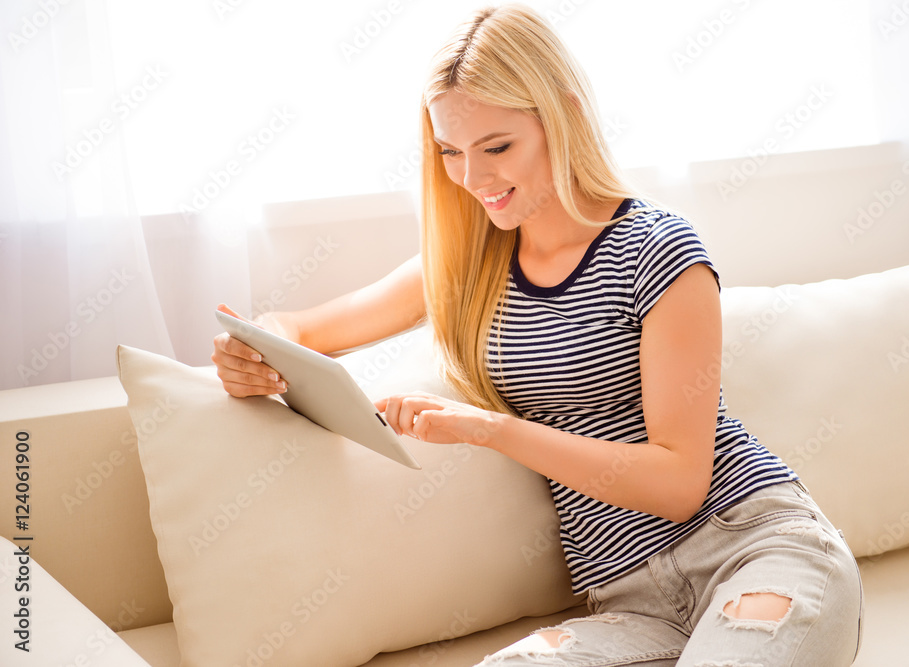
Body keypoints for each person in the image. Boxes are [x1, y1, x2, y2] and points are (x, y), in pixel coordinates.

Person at [211, 4, 863, 664]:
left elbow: (679, 483)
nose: (473, 178)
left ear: (564, 116)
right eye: (451, 152)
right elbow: (302, 328)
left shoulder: (658, 249)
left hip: (756, 549)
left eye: (497, 147)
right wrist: (251, 349)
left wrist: (489, 429)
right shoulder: (469, 265)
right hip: (631, 603)